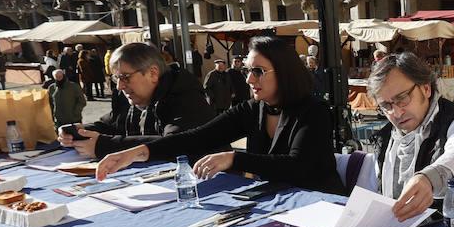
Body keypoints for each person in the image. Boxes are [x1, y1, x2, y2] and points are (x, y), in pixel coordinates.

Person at [95, 36, 343, 194]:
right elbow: (197, 137)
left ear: (284, 73)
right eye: (247, 70)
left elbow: (298, 167)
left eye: (258, 71)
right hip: (275, 201)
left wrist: (234, 159)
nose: (248, 79)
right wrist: (137, 153)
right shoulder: (252, 109)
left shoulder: (314, 111)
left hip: (320, 203)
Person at [368, 52, 454, 227]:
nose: (396, 113)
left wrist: (429, 179)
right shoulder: (386, 137)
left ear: (426, 88)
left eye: (402, 98)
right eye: (386, 106)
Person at [60, 42, 213, 159]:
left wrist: (105, 146)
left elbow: (174, 145)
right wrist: (79, 131)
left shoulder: (186, 96)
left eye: (125, 77)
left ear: (153, 73)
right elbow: (110, 124)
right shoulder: (128, 96)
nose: (119, 86)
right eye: (116, 78)